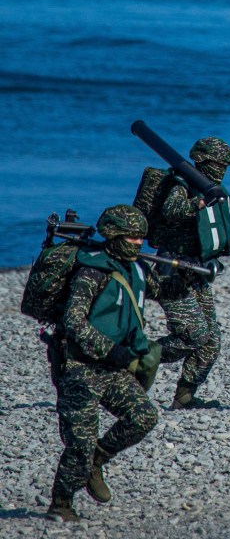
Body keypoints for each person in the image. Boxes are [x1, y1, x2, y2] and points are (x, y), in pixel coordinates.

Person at [47, 205, 168, 521]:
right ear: (114, 235)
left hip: (113, 370)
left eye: (141, 238)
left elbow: (162, 290)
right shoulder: (91, 272)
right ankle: (61, 504)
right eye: (131, 237)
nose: (138, 243)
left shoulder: (135, 268)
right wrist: (109, 349)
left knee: (143, 417)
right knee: (79, 446)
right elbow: (73, 321)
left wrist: (189, 275)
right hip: (80, 370)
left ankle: (98, 461)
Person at [152, 137, 230, 410]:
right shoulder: (181, 184)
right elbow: (171, 210)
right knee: (192, 336)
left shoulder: (217, 190)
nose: (223, 171)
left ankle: (184, 396)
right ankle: (131, 360)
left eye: (226, 166)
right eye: (219, 165)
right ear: (202, 161)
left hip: (198, 271)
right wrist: (199, 203)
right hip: (173, 271)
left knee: (211, 341)